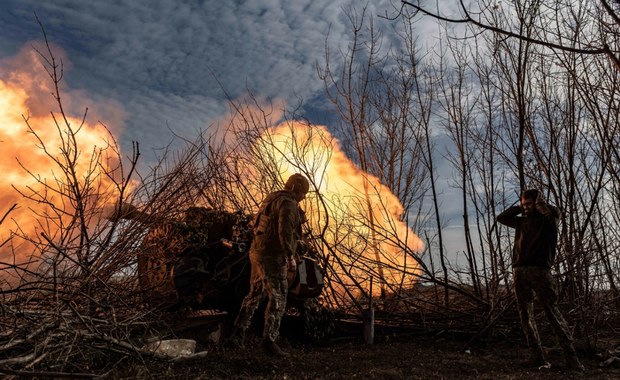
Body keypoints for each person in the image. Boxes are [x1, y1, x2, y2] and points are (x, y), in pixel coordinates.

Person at [497, 189, 584, 371]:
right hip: (519, 271)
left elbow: (550, 211)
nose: (526, 207)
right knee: (525, 314)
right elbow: (501, 218)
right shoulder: (521, 221)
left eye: (529, 204)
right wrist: (519, 207)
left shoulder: (549, 219)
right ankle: (537, 356)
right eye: (524, 204)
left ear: (538, 202)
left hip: (540, 271)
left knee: (552, 312)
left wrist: (538, 203)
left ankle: (572, 357)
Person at [227, 173, 310, 356]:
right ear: (296, 189)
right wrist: (290, 256)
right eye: (303, 193)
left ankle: (237, 334)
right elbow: (284, 231)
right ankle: (269, 341)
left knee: (254, 294)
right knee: (279, 296)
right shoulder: (287, 204)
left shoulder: (272, 198)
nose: (303, 197)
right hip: (272, 256)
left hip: (257, 252)